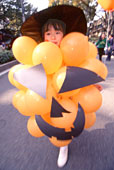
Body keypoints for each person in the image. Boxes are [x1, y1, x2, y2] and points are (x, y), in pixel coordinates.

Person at [21, 5, 102, 168]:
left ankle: (63, 145)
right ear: (43, 37)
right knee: (57, 120)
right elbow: (30, 76)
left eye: (57, 32)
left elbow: (83, 68)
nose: (53, 37)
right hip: (49, 96)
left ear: (64, 35)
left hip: (71, 94)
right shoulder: (40, 55)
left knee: (68, 117)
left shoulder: (73, 50)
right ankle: (63, 145)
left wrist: (92, 84)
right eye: (48, 33)